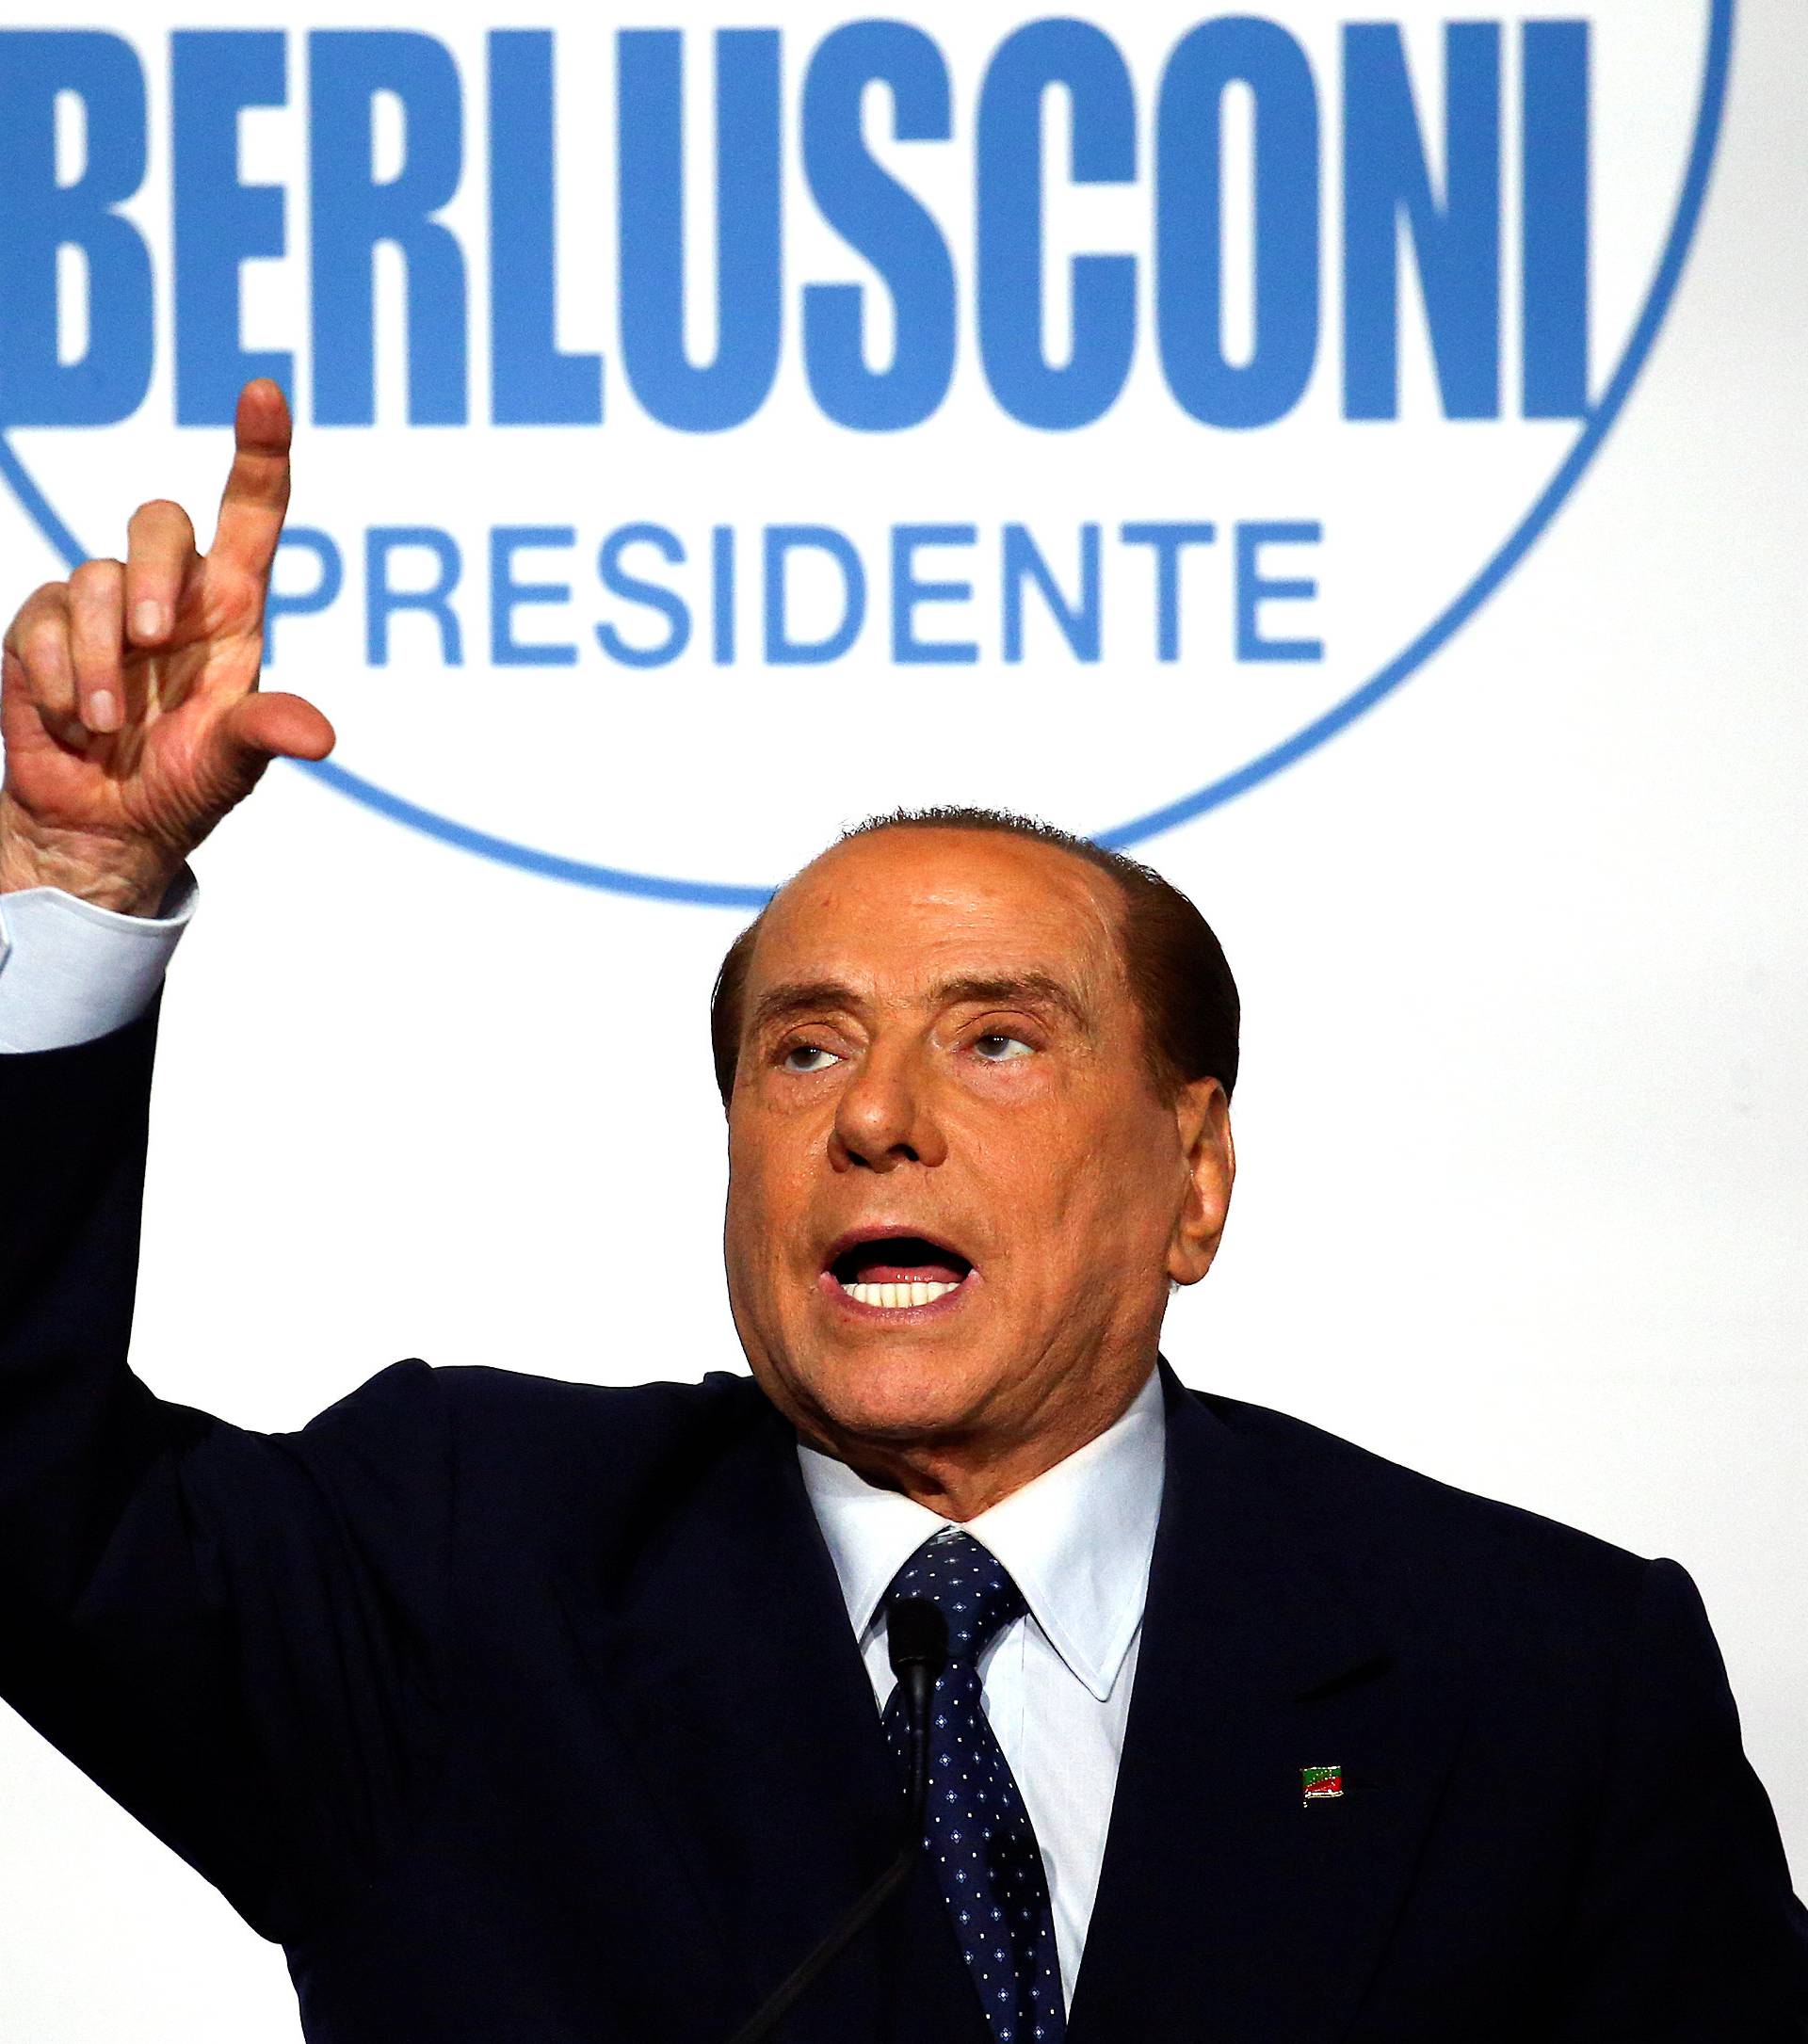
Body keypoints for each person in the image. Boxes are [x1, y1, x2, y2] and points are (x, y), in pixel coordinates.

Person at [0, 381, 1803, 2044]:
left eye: (996, 1040)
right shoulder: (460, 1575)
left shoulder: (1542, 1672)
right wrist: (78, 884)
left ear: (1198, 1178)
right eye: (801, 1054)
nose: (872, 1117)